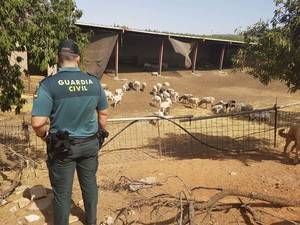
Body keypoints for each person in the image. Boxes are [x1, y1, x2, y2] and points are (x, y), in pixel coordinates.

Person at [31, 39, 108, 225]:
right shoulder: (93, 82)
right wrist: (100, 134)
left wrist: (46, 136)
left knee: (62, 193)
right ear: (78, 58)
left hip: (62, 148)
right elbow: (103, 113)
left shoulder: (49, 85)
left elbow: (37, 123)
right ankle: (91, 221)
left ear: (59, 58)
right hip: (90, 144)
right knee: (89, 185)